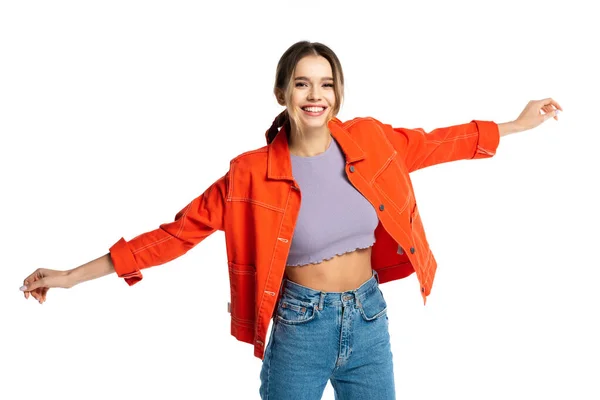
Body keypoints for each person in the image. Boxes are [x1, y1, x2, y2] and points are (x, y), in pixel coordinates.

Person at [20, 40, 562, 400]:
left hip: (370, 319)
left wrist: (513, 125)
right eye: (302, 84)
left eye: (326, 84)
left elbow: (440, 142)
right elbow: (174, 236)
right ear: (282, 93)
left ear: (338, 93)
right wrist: (68, 277)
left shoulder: (371, 140)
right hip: (301, 328)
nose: (315, 95)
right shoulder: (250, 175)